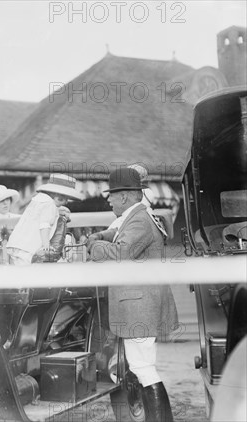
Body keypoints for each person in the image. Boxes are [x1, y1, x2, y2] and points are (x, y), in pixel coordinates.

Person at [87, 167, 178, 422]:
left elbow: (122, 252)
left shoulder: (138, 219)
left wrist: (94, 246)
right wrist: (102, 235)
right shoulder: (138, 215)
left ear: (124, 197)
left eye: (112, 196)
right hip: (142, 304)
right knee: (143, 367)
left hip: (140, 307)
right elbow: (119, 234)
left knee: (143, 368)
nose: (109, 200)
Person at [7, 174, 83, 265]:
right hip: (28, 248)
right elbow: (44, 225)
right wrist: (46, 245)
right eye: (64, 199)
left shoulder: (38, 200)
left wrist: (57, 212)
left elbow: (40, 216)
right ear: (57, 195)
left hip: (18, 245)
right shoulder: (49, 204)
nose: (66, 202)